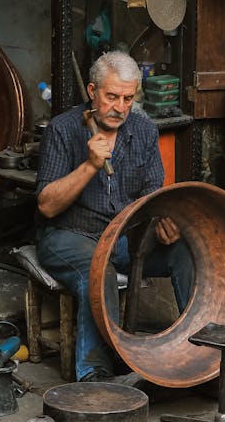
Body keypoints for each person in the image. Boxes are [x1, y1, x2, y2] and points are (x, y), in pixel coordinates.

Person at [35, 50, 193, 382]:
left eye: (127, 98)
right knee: (98, 268)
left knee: (183, 251)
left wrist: (162, 223)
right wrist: (90, 165)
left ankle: (203, 358)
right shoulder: (62, 130)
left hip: (123, 235)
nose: (120, 107)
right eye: (111, 97)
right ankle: (95, 377)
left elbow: (152, 196)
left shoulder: (144, 131)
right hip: (69, 235)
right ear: (92, 92)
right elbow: (47, 205)